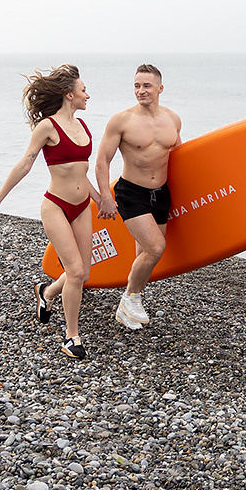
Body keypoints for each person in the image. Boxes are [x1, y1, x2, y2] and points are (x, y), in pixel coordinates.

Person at [0, 63, 100, 359]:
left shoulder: (83, 126)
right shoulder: (48, 126)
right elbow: (25, 163)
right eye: (83, 89)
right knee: (74, 270)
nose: (88, 94)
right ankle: (72, 336)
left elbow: (81, 171)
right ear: (69, 95)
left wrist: (102, 199)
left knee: (82, 275)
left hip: (83, 207)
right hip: (56, 207)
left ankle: (46, 293)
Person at [95, 63, 182, 330]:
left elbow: (182, 159)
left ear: (160, 88)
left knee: (144, 252)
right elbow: (101, 162)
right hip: (131, 192)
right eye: (136, 85)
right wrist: (105, 198)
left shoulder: (173, 119)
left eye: (146, 85)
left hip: (161, 194)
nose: (140, 91)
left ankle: (131, 306)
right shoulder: (122, 120)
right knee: (156, 248)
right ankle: (129, 299)